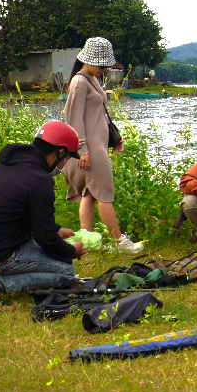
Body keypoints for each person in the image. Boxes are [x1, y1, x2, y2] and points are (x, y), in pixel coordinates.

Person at [0, 121, 87, 308]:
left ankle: (6, 281)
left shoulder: (11, 163)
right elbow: (45, 239)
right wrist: (73, 251)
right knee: (65, 270)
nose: (64, 164)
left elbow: (22, 214)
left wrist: (56, 229)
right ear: (60, 152)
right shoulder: (40, 180)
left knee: (55, 257)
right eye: (67, 158)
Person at [63, 37, 143, 254]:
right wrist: (82, 150)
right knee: (105, 195)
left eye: (106, 65)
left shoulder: (91, 79)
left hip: (96, 145)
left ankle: (88, 243)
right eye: (101, 65)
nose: (104, 69)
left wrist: (114, 138)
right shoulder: (80, 82)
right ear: (88, 60)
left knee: (89, 194)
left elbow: (98, 115)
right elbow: (73, 118)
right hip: (89, 149)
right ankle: (120, 244)